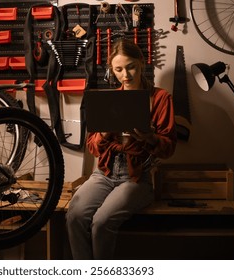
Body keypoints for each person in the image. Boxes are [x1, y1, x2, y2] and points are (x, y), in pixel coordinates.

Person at [65, 38, 177, 259]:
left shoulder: (161, 98)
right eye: (118, 69)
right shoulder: (109, 100)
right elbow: (93, 148)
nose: (126, 75)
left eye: (131, 67)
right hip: (105, 172)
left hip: (137, 176)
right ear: (112, 70)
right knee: (74, 215)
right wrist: (106, 131)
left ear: (141, 63)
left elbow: (169, 148)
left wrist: (149, 138)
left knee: (102, 222)